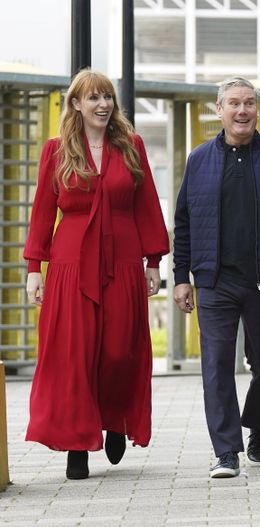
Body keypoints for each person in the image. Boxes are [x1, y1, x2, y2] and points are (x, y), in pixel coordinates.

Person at [24, 69, 169, 480]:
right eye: (94, 98)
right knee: (75, 354)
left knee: (120, 349)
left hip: (122, 259)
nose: (103, 104)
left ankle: (115, 419)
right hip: (70, 262)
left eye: (107, 97)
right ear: (76, 104)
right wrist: (35, 268)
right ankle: (77, 444)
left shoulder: (132, 145)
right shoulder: (56, 150)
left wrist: (153, 262)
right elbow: (42, 212)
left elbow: (146, 206)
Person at [172, 76, 260, 479]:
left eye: (249, 103)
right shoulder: (199, 159)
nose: (242, 110)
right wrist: (182, 276)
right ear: (219, 110)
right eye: (234, 103)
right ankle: (226, 451)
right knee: (215, 366)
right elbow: (183, 223)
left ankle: (259, 426)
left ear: (257, 110)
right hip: (214, 280)